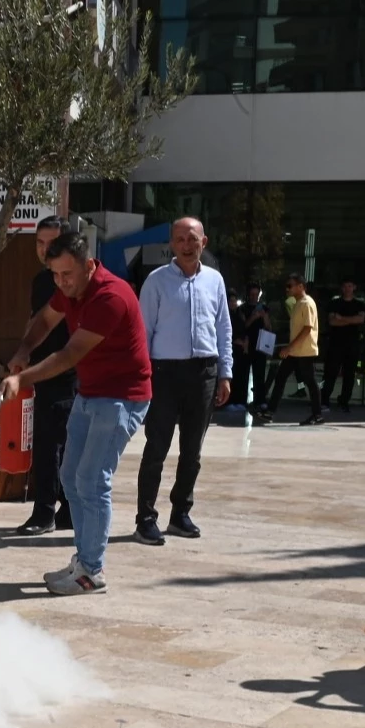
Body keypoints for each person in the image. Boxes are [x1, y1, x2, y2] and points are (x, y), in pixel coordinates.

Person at [1, 232, 151, 596]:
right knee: (70, 476)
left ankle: (92, 572)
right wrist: (24, 349)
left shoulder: (110, 297)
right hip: (91, 394)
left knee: (92, 480)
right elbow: (45, 320)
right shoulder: (70, 290)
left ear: (88, 265)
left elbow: (69, 355)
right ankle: (84, 560)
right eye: (54, 275)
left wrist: (22, 378)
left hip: (121, 399)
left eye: (66, 274)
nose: (61, 282)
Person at [133, 217, 232, 545]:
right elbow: (143, 332)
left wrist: (225, 373)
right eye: (180, 240)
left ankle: (180, 514)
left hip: (203, 373)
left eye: (192, 239)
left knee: (193, 451)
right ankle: (146, 517)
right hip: (164, 374)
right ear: (171, 245)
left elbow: (223, 330)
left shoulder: (215, 281)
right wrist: (142, 378)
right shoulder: (156, 282)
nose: (186, 245)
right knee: (156, 448)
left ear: (204, 242)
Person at [14, 216, 77, 535]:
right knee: (49, 442)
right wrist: (23, 354)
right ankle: (55, 509)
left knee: (61, 444)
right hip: (43, 370)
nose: (44, 249)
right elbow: (37, 322)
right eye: (39, 243)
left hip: (70, 370)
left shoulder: (76, 281)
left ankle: (48, 512)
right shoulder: (41, 281)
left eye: (51, 243)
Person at [254, 275, 323, 425]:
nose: (287, 289)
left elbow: (307, 329)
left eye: (290, 286)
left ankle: (317, 415)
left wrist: (289, 347)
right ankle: (270, 412)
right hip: (295, 351)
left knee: (310, 382)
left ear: (300, 286)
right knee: (281, 378)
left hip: (304, 351)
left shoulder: (307, 303)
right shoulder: (297, 303)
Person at [320, 280, 365, 413]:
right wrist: (350, 320)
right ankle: (324, 401)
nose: (348, 288)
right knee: (330, 373)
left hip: (352, 344)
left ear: (354, 288)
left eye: (350, 286)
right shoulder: (334, 303)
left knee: (349, 375)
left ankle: (344, 401)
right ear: (341, 288)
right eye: (345, 286)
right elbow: (332, 322)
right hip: (335, 343)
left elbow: (360, 320)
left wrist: (341, 318)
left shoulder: (360, 304)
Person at [239, 283, 273, 411]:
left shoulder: (264, 308)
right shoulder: (243, 308)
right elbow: (243, 326)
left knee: (260, 373)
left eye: (256, 294)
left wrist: (264, 317)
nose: (254, 297)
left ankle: (260, 400)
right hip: (247, 343)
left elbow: (269, 327)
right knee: (243, 373)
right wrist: (253, 317)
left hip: (260, 343)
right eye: (252, 294)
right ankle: (242, 400)